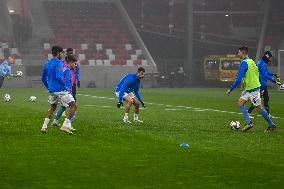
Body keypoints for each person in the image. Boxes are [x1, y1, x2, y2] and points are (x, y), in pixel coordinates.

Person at [226, 46, 276, 132]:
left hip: (253, 89)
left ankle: (271, 124)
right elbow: (257, 73)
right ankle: (249, 123)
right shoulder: (252, 61)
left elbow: (238, 79)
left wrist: (230, 89)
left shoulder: (244, 63)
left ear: (243, 52)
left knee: (259, 108)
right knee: (240, 103)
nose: (238, 54)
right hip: (250, 88)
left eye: (239, 52)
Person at [41, 46, 77, 134]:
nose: (63, 54)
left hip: (52, 90)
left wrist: (48, 87)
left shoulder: (47, 63)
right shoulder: (59, 63)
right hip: (60, 89)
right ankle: (65, 125)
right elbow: (58, 76)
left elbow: (43, 78)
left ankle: (44, 127)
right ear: (58, 53)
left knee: (52, 107)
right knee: (73, 106)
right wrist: (65, 87)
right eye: (62, 53)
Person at [248, 51, 281, 116]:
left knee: (266, 99)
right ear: (267, 56)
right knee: (258, 100)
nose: (270, 59)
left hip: (262, 84)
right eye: (270, 57)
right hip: (261, 85)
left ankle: (267, 114)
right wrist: (274, 81)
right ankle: (248, 112)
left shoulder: (261, 62)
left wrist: (273, 74)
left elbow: (266, 72)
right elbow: (265, 75)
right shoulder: (262, 64)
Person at [52, 55, 77, 129]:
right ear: (71, 62)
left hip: (60, 91)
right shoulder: (68, 71)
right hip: (64, 92)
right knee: (73, 107)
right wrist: (68, 91)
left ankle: (55, 121)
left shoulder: (64, 69)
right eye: (74, 63)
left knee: (63, 107)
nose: (75, 65)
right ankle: (67, 125)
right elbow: (66, 84)